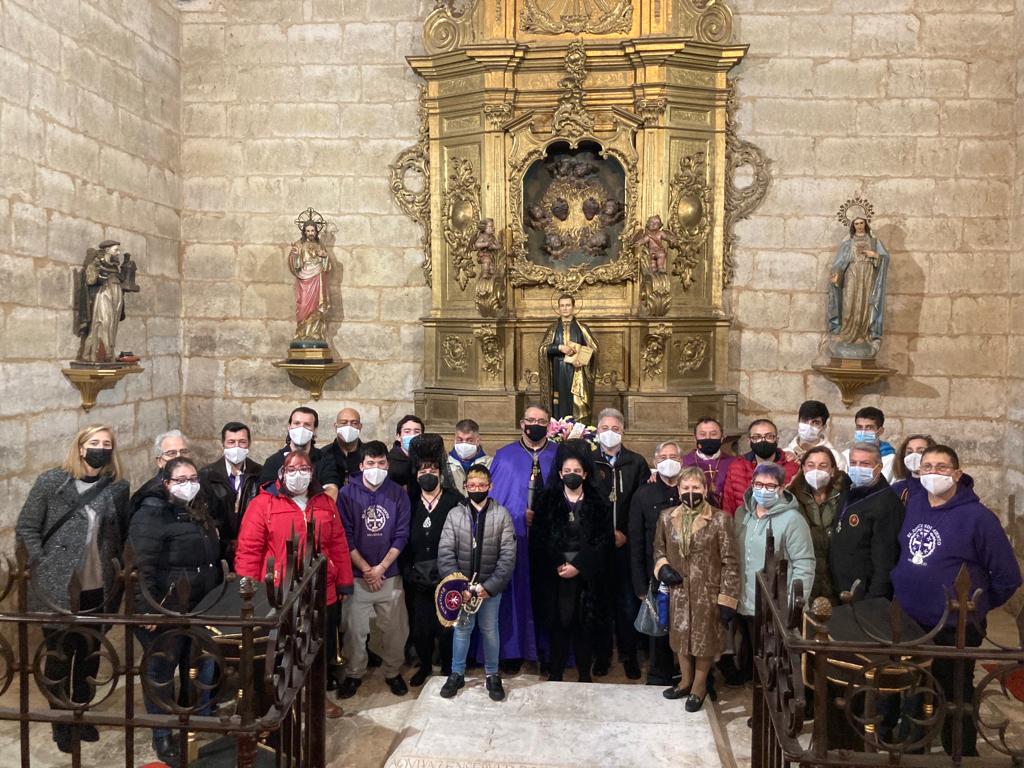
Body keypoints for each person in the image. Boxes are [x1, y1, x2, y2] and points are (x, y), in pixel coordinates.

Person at [891, 445, 1021, 757]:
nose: (934, 473)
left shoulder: (978, 517)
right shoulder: (917, 503)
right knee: (914, 691)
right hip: (910, 620)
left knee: (954, 695)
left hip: (955, 624)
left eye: (942, 467)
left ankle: (959, 752)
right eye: (927, 467)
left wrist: (978, 604)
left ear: (957, 474)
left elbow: (1007, 575)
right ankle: (913, 749)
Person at [16, 425, 130, 753]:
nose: (100, 448)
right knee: (59, 656)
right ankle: (61, 722)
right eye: (94, 443)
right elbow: (27, 525)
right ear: (80, 447)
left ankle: (81, 712)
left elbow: (119, 533)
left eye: (106, 444)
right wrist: (42, 561)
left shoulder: (116, 487)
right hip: (59, 584)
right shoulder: (52, 482)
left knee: (89, 656)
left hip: (97, 583)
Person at [235, 450, 352, 718]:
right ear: (281, 474)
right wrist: (248, 592)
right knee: (283, 647)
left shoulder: (324, 503)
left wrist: (343, 581)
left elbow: (338, 544)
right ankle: (281, 699)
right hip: (279, 591)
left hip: (321, 588)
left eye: (304, 469)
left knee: (317, 647)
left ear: (312, 473)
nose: (298, 475)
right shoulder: (262, 504)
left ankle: (316, 697)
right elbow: (249, 550)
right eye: (292, 469)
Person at [129, 456, 224, 763]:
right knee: (161, 671)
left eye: (193, 478)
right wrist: (148, 610)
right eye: (181, 479)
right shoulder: (151, 514)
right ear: (166, 483)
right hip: (167, 607)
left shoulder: (197, 509)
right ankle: (162, 733)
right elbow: (141, 565)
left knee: (197, 662)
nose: (189, 484)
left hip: (201, 603)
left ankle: (195, 716)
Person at [653, 467, 739, 711]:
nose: (691, 493)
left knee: (704, 642)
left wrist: (727, 598)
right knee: (680, 639)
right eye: (686, 488)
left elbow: (730, 561)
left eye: (696, 488)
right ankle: (685, 681)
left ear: (706, 488)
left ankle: (699, 686)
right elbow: (658, 548)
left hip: (707, 592)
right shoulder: (666, 517)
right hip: (678, 590)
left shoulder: (720, 519)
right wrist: (663, 567)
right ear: (678, 490)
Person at [530, 441, 613, 683]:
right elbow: (540, 538)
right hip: (555, 574)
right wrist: (558, 564)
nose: (572, 475)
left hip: (587, 576)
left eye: (577, 471)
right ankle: (556, 671)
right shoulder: (546, 500)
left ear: (585, 473)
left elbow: (603, 540)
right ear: (559, 473)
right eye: (567, 472)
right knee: (559, 624)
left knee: (584, 626)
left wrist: (580, 565)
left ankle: (585, 673)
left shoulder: (598, 502)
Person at [336, 440, 411, 698]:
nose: (376, 468)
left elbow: (401, 534)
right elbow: (345, 536)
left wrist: (381, 568)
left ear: (387, 465)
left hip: (389, 574)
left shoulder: (398, 493)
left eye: (381, 463)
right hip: (358, 576)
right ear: (361, 465)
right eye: (371, 463)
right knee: (355, 630)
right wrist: (368, 569)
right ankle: (355, 672)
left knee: (395, 629)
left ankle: (392, 671)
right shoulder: (347, 494)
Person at [487, 404, 558, 671]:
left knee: (547, 595)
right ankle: (513, 651)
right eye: (531, 420)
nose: (536, 424)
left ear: (549, 425)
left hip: (549, 542)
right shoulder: (504, 457)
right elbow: (494, 502)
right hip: (515, 539)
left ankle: (547, 651)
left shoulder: (559, 455)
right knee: (514, 595)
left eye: (541, 420)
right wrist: (518, 517)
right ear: (522, 423)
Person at [438, 464, 517, 701]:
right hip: (462, 588)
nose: (477, 489)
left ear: (490, 486)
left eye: (482, 485)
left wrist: (489, 587)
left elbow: (508, 555)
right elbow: (445, 552)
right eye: (472, 485)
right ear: (465, 487)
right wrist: (458, 587)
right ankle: (457, 673)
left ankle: (492, 675)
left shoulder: (501, 514)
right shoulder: (454, 514)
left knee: (490, 631)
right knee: (462, 630)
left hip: (488, 588)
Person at [734, 463, 815, 682]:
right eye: (759, 484)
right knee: (756, 658)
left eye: (771, 486)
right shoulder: (743, 514)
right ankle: (760, 707)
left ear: (781, 489)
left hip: (776, 605)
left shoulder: (793, 520)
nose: (764, 490)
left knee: (776, 664)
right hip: (747, 602)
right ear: (752, 485)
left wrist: (793, 604)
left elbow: (804, 564)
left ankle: (774, 713)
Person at [591, 407, 649, 679]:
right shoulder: (589, 462)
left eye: (615, 429)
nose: (610, 434)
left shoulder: (636, 463)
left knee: (627, 604)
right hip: (598, 547)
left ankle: (629, 655)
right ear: (597, 430)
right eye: (605, 429)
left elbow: (641, 504)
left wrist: (625, 532)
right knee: (600, 602)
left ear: (623, 431)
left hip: (627, 545)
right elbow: (586, 504)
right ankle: (602, 655)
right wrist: (603, 533)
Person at [401, 453, 462, 687]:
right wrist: (408, 571)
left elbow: (462, 536)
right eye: (423, 471)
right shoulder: (410, 502)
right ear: (416, 475)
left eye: (433, 470)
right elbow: (402, 538)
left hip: (446, 574)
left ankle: (448, 669)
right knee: (421, 627)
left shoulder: (454, 500)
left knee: (446, 627)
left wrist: (451, 573)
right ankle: (425, 666)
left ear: (441, 473)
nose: (428, 475)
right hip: (417, 575)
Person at [629, 441, 683, 686]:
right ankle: (660, 674)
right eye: (664, 456)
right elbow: (636, 540)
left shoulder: (690, 487)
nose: (668, 460)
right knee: (659, 628)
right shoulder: (643, 494)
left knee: (688, 627)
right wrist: (640, 584)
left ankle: (692, 677)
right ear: (655, 462)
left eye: (673, 456)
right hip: (656, 574)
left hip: (687, 573)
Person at [829, 442, 903, 601]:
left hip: (864, 593)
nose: (858, 468)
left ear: (879, 467)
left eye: (865, 464)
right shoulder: (849, 489)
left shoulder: (887, 503)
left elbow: (885, 559)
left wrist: (875, 598)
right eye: (854, 463)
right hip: (840, 586)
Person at [787, 446, 848, 604]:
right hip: (807, 580)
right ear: (803, 468)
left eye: (823, 466)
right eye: (811, 465)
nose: (816, 470)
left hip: (837, 580)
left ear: (833, 469)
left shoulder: (845, 496)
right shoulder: (792, 498)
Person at [199, 421, 263, 566]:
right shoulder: (207, 475)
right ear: (223, 444)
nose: (236, 447)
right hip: (218, 546)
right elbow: (204, 512)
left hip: (250, 545)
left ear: (249, 444)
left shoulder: (259, 473)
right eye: (231, 442)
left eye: (242, 442)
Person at [827, 214, 890, 357]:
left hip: (868, 276)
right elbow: (839, 263)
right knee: (849, 303)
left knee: (865, 304)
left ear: (866, 224)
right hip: (852, 274)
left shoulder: (874, 242)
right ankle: (845, 333)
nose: (860, 226)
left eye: (862, 223)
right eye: (857, 224)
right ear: (853, 226)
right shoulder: (848, 244)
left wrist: (874, 255)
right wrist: (836, 274)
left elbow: (885, 258)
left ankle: (862, 334)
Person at [538, 294, 598, 422]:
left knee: (575, 402)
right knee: (559, 402)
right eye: (562, 306)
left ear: (573, 307)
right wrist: (559, 347)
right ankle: (559, 431)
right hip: (558, 370)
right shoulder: (553, 329)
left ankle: (578, 432)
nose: (565, 308)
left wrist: (581, 361)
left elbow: (593, 349)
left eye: (568, 305)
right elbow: (543, 349)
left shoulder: (582, 328)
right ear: (558, 308)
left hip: (577, 372)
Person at [721, 419, 799, 516]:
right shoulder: (737, 466)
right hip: (744, 526)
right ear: (749, 441)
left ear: (777, 439)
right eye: (756, 437)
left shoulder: (792, 467)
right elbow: (728, 504)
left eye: (769, 436)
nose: (763, 441)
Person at [258, 407, 341, 497]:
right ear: (289, 427)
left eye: (307, 424)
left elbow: (331, 489)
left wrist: (310, 508)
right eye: (297, 423)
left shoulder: (324, 459)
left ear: (315, 430)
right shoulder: (273, 461)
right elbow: (265, 495)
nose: (301, 428)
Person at [682, 417, 737, 509]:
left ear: (722, 438)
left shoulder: (733, 462)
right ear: (695, 438)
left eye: (713, 434)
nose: (708, 438)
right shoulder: (683, 462)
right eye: (702, 434)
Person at [783, 400, 846, 470]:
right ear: (798, 421)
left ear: (823, 427)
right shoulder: (784, 453)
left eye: (816, 422)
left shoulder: (834, 457)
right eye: (805, 420)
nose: (808, 426)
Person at [840, 407, 896, 482]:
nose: (863, 432)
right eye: (859, 427)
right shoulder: (845, 455)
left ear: (880, 431)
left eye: (869, 427)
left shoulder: (891, 459)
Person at [319, 407, 365, 488]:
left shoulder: (368, 454)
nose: (349, 426)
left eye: (354, 423)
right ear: (336, 426)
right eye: (344, 423)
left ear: (360, 426)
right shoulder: (323, 454)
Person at [447, 418, 492, 494]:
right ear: (454, 440)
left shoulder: (490, 464)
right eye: (460, 440)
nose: (464, 444)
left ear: (477, 441)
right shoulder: (445, 463)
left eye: (469, 440)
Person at [890, 433, 935, 503]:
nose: (914, 455)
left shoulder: (937, 485)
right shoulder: (898, 488)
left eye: (921, 451)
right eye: (910, 452)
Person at [388, 414, 424, 488]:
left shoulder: (427, 459)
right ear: (398, 436)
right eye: (407, 432)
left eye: (417, 432)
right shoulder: (389, 461)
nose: (412, 435)